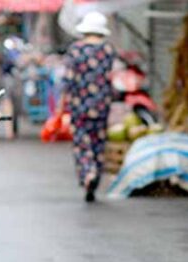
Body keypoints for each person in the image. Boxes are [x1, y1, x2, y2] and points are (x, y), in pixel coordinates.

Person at [60, 12, 116, 202]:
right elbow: (111, 77)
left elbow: (67, 80)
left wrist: (62, 104)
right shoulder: (108, 50)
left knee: (82, 143)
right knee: (98, 143)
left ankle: (88, 173)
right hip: (102, 105)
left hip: (79, 105)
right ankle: (96, 176)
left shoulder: (75, 50)